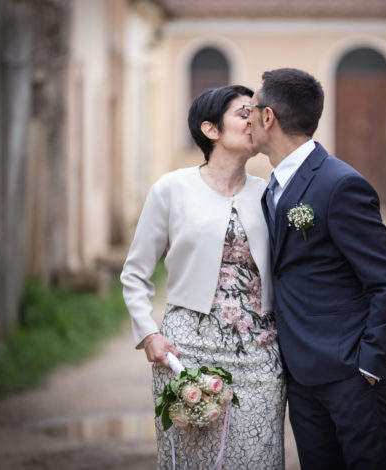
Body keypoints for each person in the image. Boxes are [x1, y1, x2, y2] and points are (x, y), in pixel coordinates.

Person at [246, 68, 386, 469]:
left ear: (269, 118)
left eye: (251, 108)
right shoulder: (273, 188)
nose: (246, 117)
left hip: (353, 376)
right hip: (303, 377)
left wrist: (370, 364)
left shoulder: (339, 185)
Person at [121, 85, 285, 469]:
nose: (254, 119)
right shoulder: (171, 190)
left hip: (260, 357)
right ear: (211, 130)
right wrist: (149, 334)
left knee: (259, 458)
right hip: (187, 355)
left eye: (257, 112)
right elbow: (135, 273)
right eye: (243, 113)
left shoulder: (269, 194)